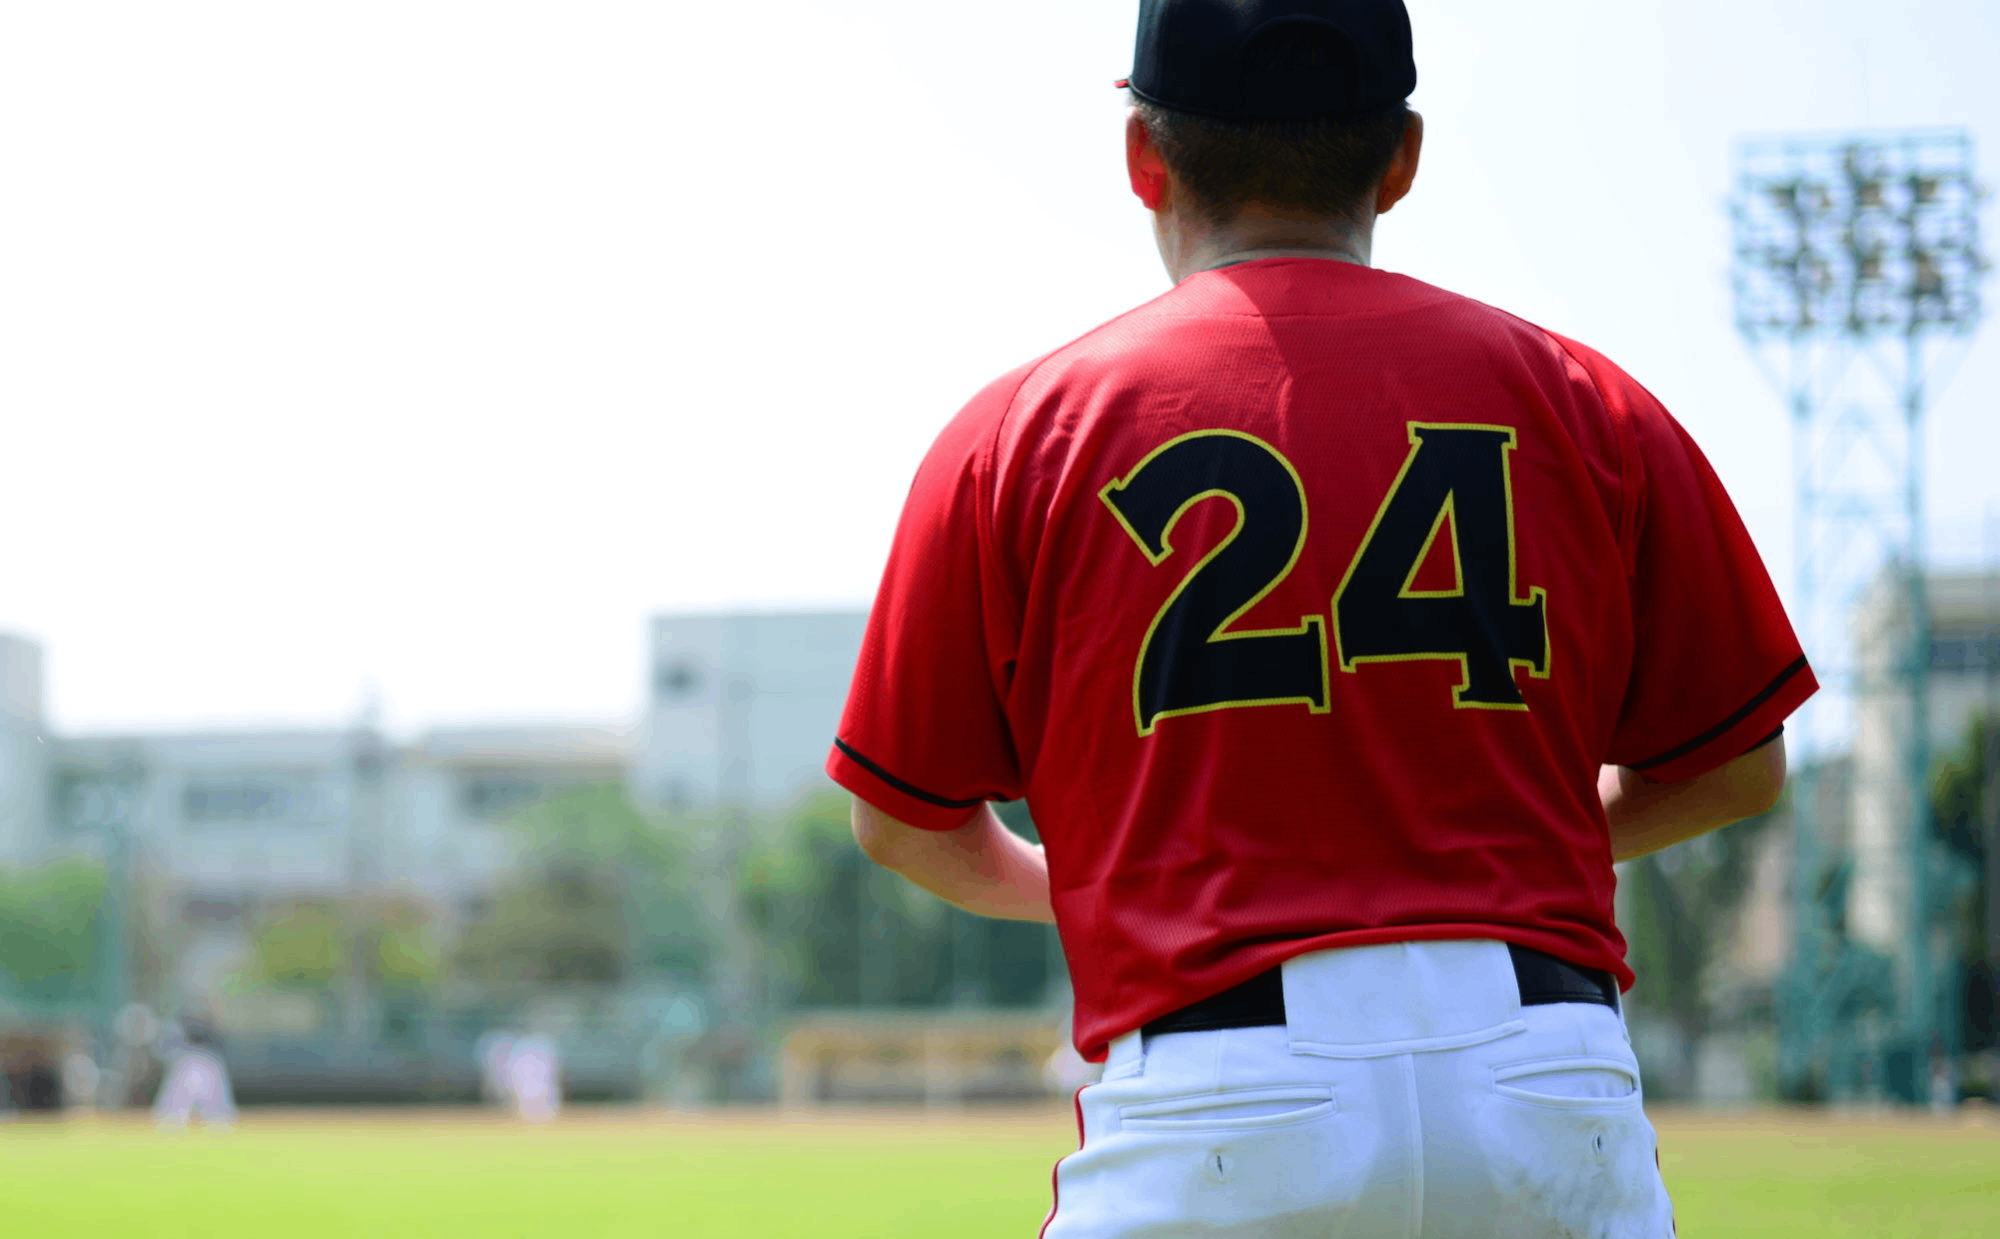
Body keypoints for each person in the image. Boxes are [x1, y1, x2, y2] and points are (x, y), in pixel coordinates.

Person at [826, 1, 1815, 1235]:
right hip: (1545, 1077)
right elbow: (1735, 766)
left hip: (1219, 1100)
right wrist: (1487, 864)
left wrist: (1093, 884)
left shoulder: (1022, 429)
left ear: (1142, 156)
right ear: (1399, 160)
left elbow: (899, 822)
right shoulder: (1587, 401)